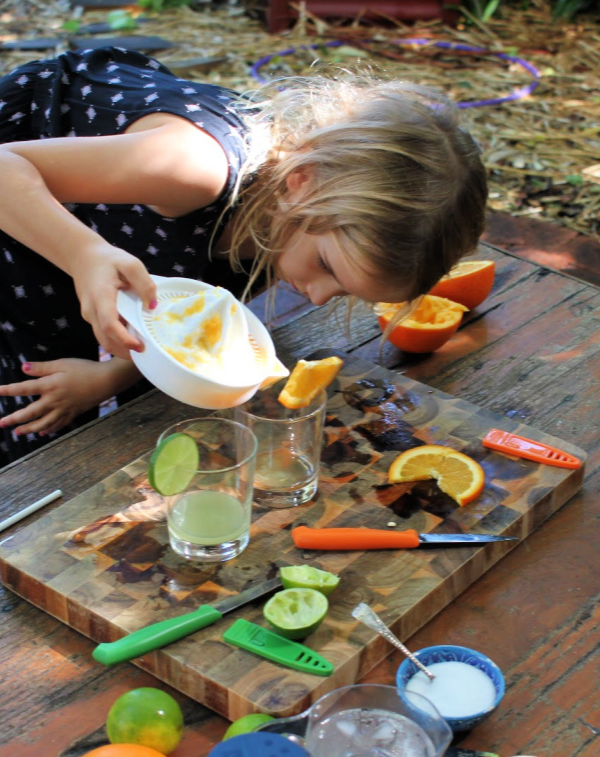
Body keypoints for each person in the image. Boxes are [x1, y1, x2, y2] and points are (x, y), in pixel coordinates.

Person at [0, 47, 488, 467]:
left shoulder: (291, 226)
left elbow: (179, 323)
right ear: (303, 181)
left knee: (53, 407)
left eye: (345, 294)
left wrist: (111, 374)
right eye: (328, 269)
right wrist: (83, 253)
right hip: (25, 206)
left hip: (71, 245)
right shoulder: (195, 168)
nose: (318, 298)